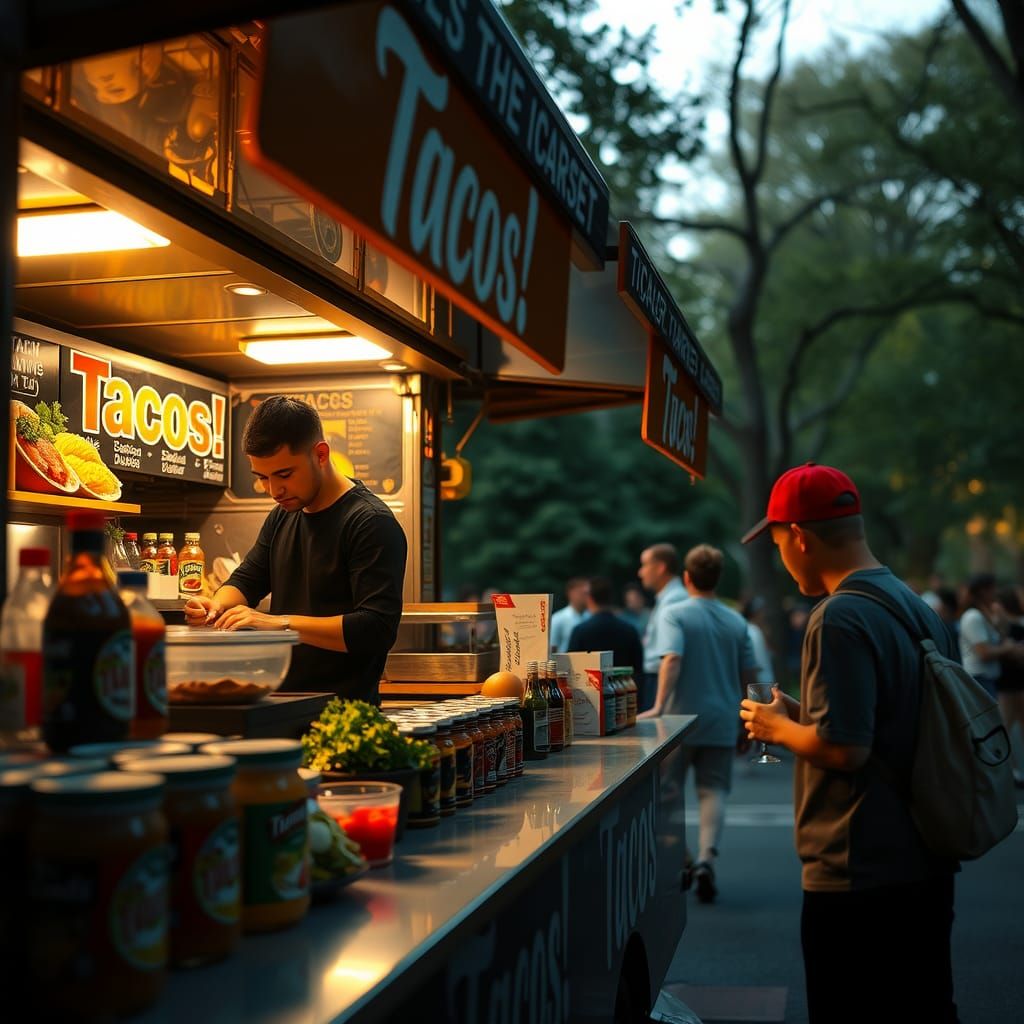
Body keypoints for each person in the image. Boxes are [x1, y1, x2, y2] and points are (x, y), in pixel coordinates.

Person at [738, 463, 960, 1024]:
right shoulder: (913, 606)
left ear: (802, 538)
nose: (782, 559)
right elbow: (885, 721)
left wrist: (776, 728)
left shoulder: (837, 618)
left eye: (780, 543)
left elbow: (845, 749)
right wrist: (799, 713)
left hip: (857, 869)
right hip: (924, 856)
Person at [183, 396, 407, 702]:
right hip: (283, 704)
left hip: (344, 714)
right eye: (262, 478)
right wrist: (214, 606)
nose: (274, 491)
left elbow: (375, 629)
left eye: (284, 475)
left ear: (321, 454)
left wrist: (278, 622)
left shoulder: (370, 522)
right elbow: (247, 580)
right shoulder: (282, 516)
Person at [638, 544, 758, 904]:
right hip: (723, 716)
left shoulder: (676, 614)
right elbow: (748, 673)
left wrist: (658, 704)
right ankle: (708, 857)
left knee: (669, 792)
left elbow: (672, 658)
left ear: (687, 577)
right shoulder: (737, 621)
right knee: (714, 790)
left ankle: (684, 857)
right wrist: (748, 718)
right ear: (718, 578)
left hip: (678, 720)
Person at [636, 543, 688, 712]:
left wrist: (658, 705)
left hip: (662, 680)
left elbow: (671, 656)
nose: (640, 572)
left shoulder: (674, 600)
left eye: (644, 565)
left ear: (660, 567)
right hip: (657, 678)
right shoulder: (668, 598)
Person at [567, 576, 644, 682]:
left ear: (589, 598)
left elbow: (571, 668)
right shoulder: (629, 629)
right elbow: (638, 669)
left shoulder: (580, 631)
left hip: (590, 694)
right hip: (623, 691)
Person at [959, 573, 1016, 698]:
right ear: (983, 591)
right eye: (993, 588)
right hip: (979, 679)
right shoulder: (973, 617)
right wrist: (1008, 648)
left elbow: (999, 637)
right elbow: (984, 653)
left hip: (987, 679)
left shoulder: (984, 615)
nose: (996, 592)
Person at [994, 586, 1024, 787]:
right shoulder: (1003, 626)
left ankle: (1011, 770)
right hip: (1011, 681)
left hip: (1010, 681)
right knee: (1009, 724)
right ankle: (1012, 770)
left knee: (1005, 725)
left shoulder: (1005, 626)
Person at [550, 577, 590, 653]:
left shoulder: (590, 617)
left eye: (588, 593)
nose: (587, 596)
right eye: (583, 593)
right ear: (571, 593)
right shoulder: (558, 618)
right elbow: (552, 647)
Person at [742, 595, 773, 684]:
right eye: (761, 611)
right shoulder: (753, 631)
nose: (764, 614)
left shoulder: (755, 630)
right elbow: (756, 663)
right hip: (761, 683)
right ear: (755, 613)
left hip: (763, 682)